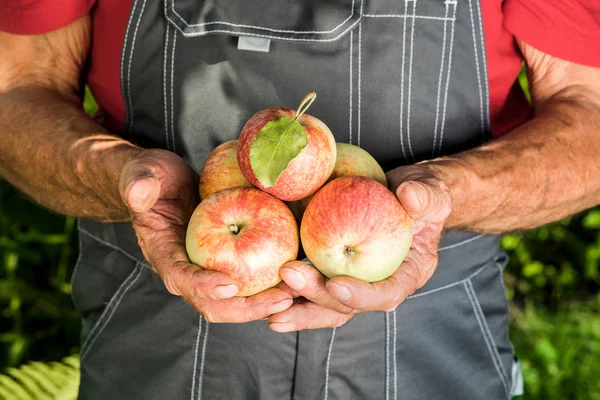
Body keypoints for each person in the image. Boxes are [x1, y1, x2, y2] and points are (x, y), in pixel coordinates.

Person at [1, 0, 599, 398]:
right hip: (157, 345)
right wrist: (119, 177)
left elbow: (590, 117)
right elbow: (18, 88)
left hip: (429, 350)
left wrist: (444, 193)